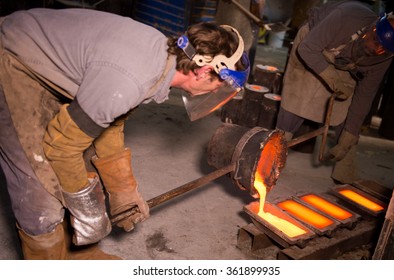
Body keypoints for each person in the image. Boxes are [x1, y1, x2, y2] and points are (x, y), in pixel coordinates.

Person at [0, 8, 250, 260]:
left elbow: (111, 121)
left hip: (45, 55)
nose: (215, 93)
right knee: (40, 189)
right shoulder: (131, 78)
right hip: (12, 57)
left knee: (83, 164)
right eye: (220, 85)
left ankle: (75, 254)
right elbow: (62, 148)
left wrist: (123, 192)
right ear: (204, 71)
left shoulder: (159, 58)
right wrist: (89, 214)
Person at [275, 0, 394, 184]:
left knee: (346, 107)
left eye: (383, 49)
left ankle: (344, 168)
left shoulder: (383, 57)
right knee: (297, 98)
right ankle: (273, 151)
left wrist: (350, 136)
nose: (374, 49)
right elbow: (307, 49)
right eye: (375, 41)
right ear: (373, 28)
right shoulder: (346, 16)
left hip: (344, 60)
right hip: (313, 44)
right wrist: (334, 80)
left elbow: (365, 95)